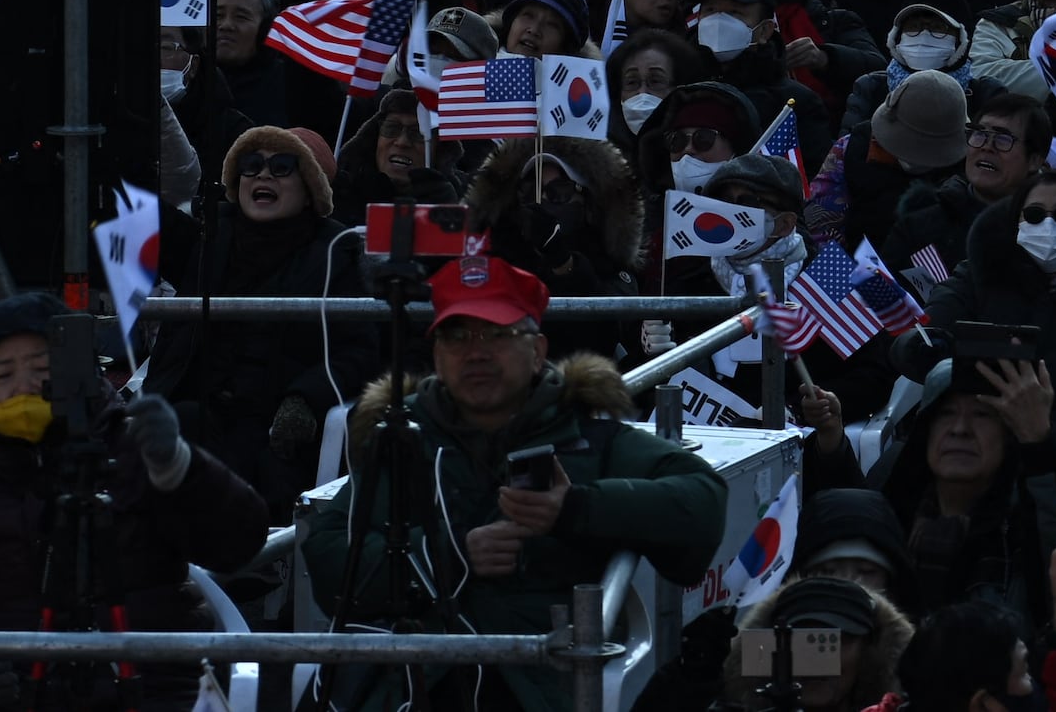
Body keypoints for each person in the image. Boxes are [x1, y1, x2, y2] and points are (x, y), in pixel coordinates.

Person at [298, 246, 732, 712]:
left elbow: (702, 502)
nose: (477, 352)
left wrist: (577, 509)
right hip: (414, 686)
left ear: (537, 349)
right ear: (437, 354)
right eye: (458, 335)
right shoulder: (403, 441)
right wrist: (452, 555)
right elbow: (327, 562)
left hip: (539, 687)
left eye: (497, 334)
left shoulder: (588, 436)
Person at [0, 296, 274, 706]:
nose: (24, 386)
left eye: (42, 368)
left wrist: (179, 466)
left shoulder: (135, 450)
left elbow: (240, 543)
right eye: (2, 374)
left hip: (150, 690)